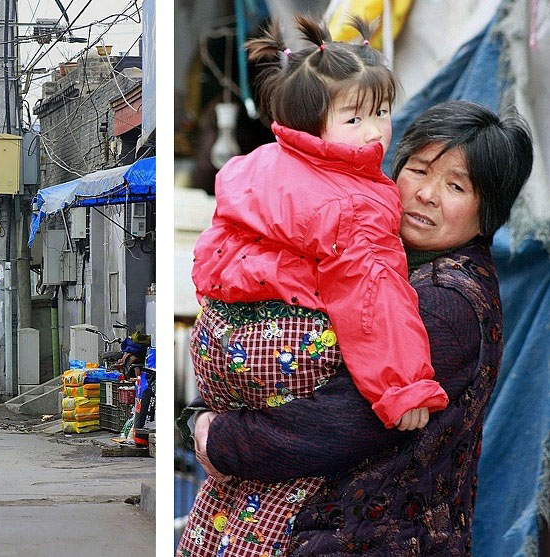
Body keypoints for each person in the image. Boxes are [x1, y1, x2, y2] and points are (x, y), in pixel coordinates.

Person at [187, 101, 534, 555]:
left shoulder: (449, 303)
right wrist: (200, 410)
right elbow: (279, 360)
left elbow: (336, 421)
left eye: (455, 186)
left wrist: (220, 437)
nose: (427, 194)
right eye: (419, 170)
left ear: (487, 211)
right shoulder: (368, 260)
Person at [178, 16, 448, 557]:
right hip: (285, 348)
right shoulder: (357, 201)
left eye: (381, 113)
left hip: (216, 341)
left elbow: (214, 248)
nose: (375, 132)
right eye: (354, 118)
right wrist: (405, 385)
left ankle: (211, 542)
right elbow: (373, 296)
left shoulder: (254, 166)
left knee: (233, 482)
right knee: (294, 484)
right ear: (311, 124)